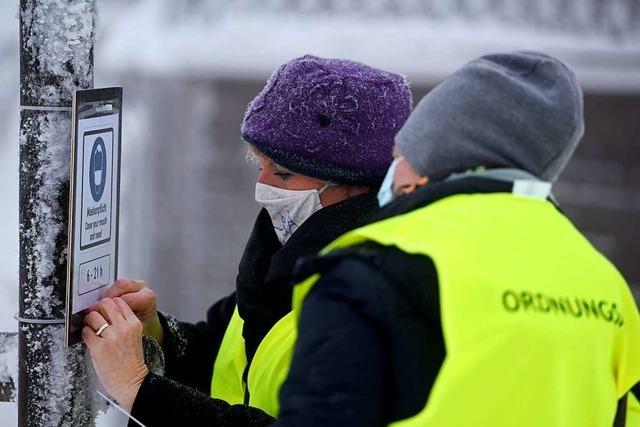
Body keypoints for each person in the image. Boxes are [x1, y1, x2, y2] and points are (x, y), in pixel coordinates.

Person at [273, 52, 640, 427]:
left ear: (433, 158)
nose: (392, 171)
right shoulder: (608, 286)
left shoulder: (374, 268)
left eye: (402, 154)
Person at [81, 54, 412, 426]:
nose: (263, 188)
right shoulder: (278, 256)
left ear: (357, 186)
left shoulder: (378, 295)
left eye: (284, 174)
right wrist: (157, 335)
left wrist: (139, 389)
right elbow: (230, 359)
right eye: (261, 166)